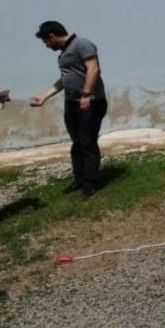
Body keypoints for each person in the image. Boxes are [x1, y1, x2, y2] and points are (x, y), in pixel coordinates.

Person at [30, 22, 108, 198]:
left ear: (52, 36)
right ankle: (79, 179)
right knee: (77, 143)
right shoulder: (64, 53)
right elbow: (64, 79)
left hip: (91, 102)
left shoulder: (81, 44)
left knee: (87, 142)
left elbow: (93, 68)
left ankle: (90, 184)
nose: (46, 46)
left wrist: (86, 94)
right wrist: (44, 96)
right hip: (72, 103)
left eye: (46, 41)